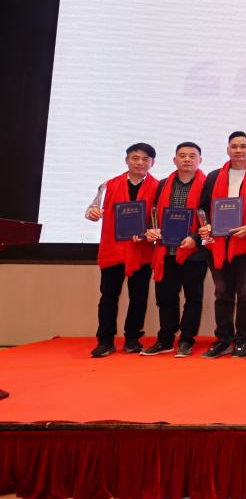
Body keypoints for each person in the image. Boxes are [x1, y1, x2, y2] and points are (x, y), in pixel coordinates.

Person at [198, 131, 246, 359]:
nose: (238, 150)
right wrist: (205, 225)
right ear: (228, 150)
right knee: (222, 293)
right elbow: (203, 208)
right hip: (218, 245)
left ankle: (241, 340)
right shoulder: (213, 176)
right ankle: (223, 340)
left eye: (243, 146)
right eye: (234, 146)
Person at [87, 142, 159, 357]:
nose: (140, 163)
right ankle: (105, 341)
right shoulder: (108, 185)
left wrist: (150, 231)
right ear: (126, 160)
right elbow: (92, 209)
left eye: (145, 159)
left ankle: (132, 339)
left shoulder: (158, 187)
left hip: (142, 250)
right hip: (113, 250)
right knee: (108, 297)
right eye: (135, 158)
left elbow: (157, 218)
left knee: (139, 297)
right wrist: (92, 212)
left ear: (152, 163)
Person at [141, 142, 207, 357]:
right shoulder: (162, 185)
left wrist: (195, 239)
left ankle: (186, 340)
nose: (187, 159)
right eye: (182, 155)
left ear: (200, 160)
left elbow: (211, 219)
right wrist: (151, 230)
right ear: (174, 160)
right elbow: (153, 214)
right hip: (165, 251)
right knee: (165, 298)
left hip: (193, 252)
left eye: (192, 156)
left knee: (193, 298)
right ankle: (165, 339)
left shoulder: (208, 185)